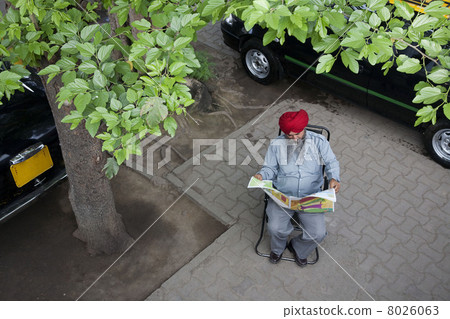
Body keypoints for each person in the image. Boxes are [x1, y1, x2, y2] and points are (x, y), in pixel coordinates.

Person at [254, 109, 340, 267]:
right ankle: (277, 249)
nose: (294, 138)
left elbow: (331, 162)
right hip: (283, 196)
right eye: (289, 135)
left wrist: (334, 177)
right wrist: (262, 175)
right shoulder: (276, 145)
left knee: (318, 233)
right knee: (275, 228)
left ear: (304, 128)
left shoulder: (319, 141)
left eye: (297, 134)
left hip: (310, 197)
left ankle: (298, 248)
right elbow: (270, 168)